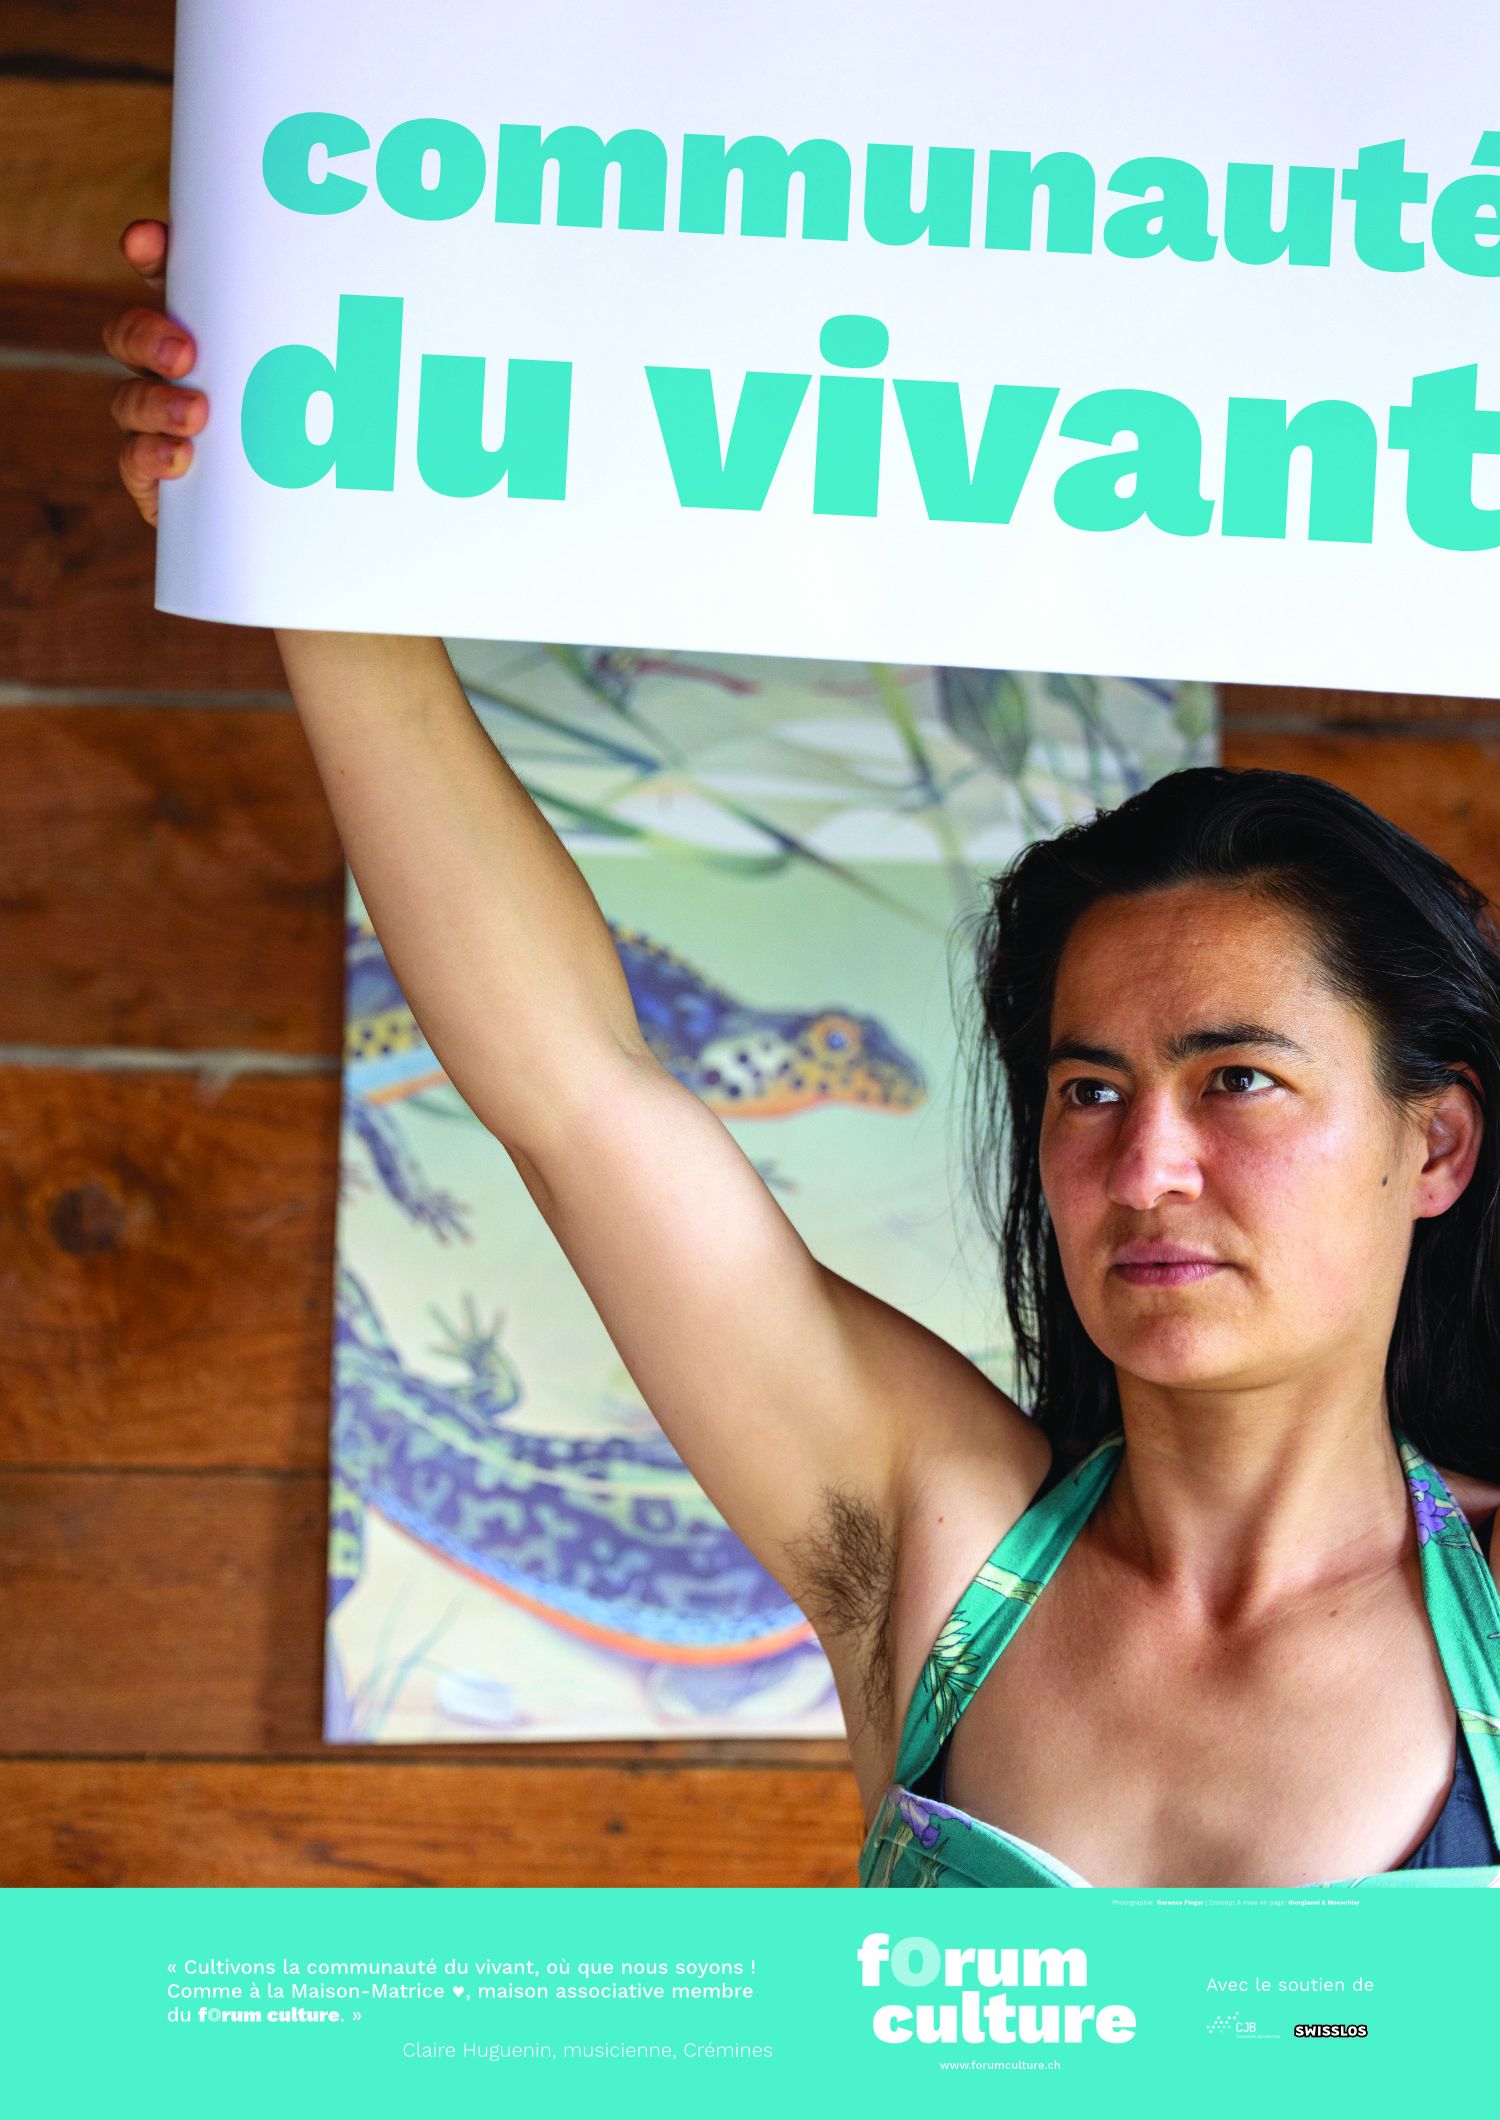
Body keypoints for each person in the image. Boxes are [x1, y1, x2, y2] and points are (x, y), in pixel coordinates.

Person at [104, 220, 1500, 1889]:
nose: (1147, 1166)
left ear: (1435, 1144)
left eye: (1239, 1080)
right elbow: (577, 1092)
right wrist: (299, 547)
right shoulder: (939, 1547)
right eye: (1089, 1090)